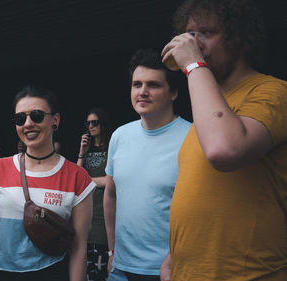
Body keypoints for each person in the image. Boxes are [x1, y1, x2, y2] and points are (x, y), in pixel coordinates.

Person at [161, 0, 287, 279]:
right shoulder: (209, 110)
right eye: (190, 33)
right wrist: (173, 257)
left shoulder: (274, 91)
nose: (194, 42)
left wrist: (194, 64)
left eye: (206, 32)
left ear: (239, 37)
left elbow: (224, 149)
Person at [0, 85, 95, 281]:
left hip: (51, 273)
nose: (27, 124)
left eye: (36, 115)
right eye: (20, 118)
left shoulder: (77, 177)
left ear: (55, 120)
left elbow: (78, 248)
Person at [104, 49, 191, 281]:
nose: (142, 92)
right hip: (120, 269)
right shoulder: (119, 136)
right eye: (136, 84)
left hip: (169, 271)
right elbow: (111, 195)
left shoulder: (193, 137)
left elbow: (203, 211)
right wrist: (112, 251)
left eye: (153, 85)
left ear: (173, 92)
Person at [76, 107, 111, 281]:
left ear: (103, 123)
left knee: (102, 271)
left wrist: (88, 181)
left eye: (95, 122)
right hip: (86, 216)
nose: (91, 126)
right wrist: (82, 153)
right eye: (88, 123)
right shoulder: (87, 148)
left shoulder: (112, 146)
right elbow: (76, 178)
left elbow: (113, 180)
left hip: (104, 216)